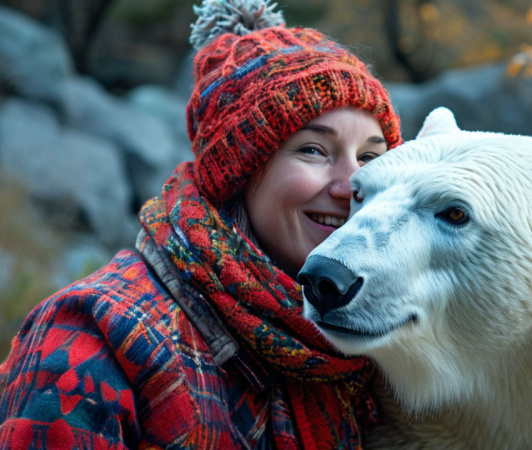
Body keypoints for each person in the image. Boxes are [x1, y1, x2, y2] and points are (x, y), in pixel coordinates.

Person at [0, 0, 401, 448]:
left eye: (370, 157)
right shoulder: (95, 340)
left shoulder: (378, 347)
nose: (352, 186)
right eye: (313, 150)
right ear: (240, 170)